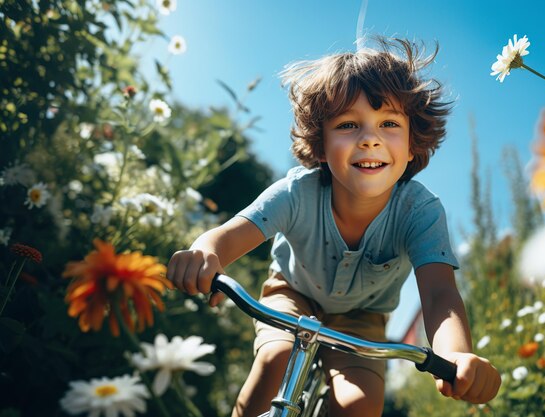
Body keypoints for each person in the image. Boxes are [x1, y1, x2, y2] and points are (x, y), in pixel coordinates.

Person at [167, 37, 501, 417]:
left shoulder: (420, 212)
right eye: (348, 125)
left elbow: (440, 294)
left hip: (363, 318)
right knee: (275, 361)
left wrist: (454, 354)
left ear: (412, 146)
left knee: (361, 406)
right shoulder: (296, 193)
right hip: (292, 295)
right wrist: (204, 253)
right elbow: (227, 236)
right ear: (321, 147)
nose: (370, 138)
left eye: (389, 123)